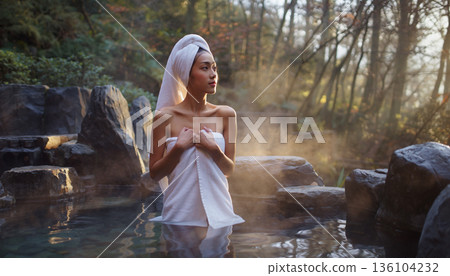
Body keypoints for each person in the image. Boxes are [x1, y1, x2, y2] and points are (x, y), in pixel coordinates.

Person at [149, 34, 244, 229]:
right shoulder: (164, 117)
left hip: (221, 217)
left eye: (214, 68)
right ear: (186, 74)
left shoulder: (227, 115)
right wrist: (178, 148)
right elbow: (155, 174)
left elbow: (229, 170)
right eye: (205, 68)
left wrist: (213, 149)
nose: (213, 74)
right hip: (178, 217)